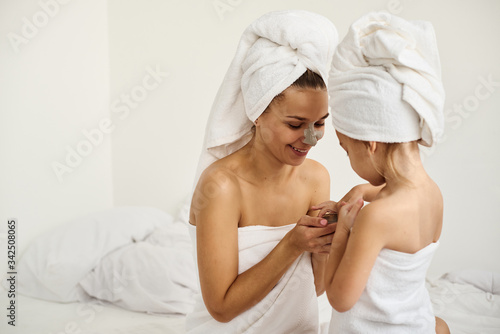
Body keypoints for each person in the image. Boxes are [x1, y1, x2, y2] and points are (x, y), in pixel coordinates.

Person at [185, 10, 338, 333]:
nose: (311, 139)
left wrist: (328, 241)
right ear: (257, 113)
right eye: (296, 124)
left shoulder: (316, 178)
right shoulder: (222, 186)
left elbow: (317, 287)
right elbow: (222, 308)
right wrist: (294, 243)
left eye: (320, 123)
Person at [316, 11, 451, 333]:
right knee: (440, 325)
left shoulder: (376, 218)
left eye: (347, 149)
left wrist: (345, 230)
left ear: (371, 143)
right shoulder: (431, 194)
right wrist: (359, 194)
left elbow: (339, 298)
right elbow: (388, 197)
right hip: (414, 321)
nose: (349, 160)